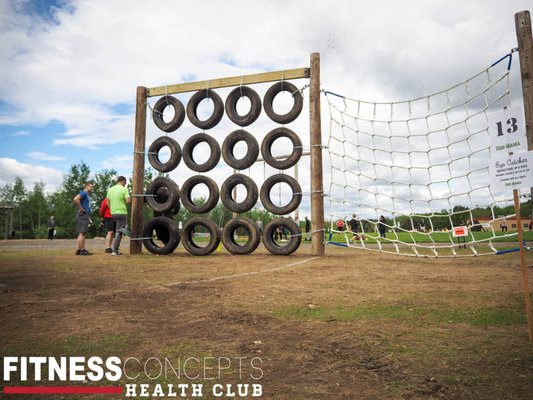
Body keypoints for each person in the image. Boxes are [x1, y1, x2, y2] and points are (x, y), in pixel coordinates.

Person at [106, 176, 131, 256]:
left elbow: (107, 203)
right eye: (125, 182)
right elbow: (128, 201)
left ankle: (127, 233)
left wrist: (112, 209)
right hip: (122, 212)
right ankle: (115, 250)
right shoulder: (124, 189)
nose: (125, 184)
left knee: (119, 229)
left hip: (113, 213)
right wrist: (123, 202)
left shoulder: (110, 189)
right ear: (123, 181)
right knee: (119, 231)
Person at [73, 181, 95, 255]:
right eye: (91, 186)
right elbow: (76, 199)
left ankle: (79, 250)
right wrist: (81, 208)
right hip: (83, 215)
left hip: (85, 215)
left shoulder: (86, 195)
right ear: (86, 186)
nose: (92, 188)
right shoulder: (84, 193)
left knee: (81, 233)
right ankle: (82, 250)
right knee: (83, 233)